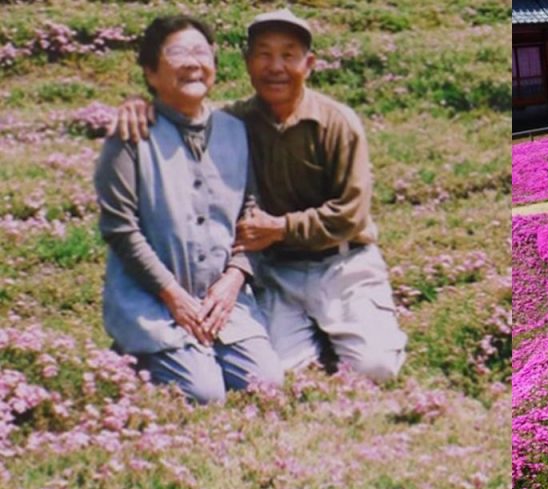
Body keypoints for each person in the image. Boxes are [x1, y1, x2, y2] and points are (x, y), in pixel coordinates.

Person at [112, 9, 407, 383]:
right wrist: (143, 105)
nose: (275, 67)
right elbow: (184, 115)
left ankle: (350, 328)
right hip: (276, 270)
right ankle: (324, 334)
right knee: (275, 375)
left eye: (288, 55)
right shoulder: (232, 123)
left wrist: (281, 227)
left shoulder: (337, 121)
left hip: (343, 265)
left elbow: (351, 213)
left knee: (375, 369)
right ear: (248, 63)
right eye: (264, 54)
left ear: (309, 64)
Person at [95, 15, 283, 404]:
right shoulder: (129, 134)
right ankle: (134, 354)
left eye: (201, 51)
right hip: (153, 299)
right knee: (205, 393)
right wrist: (173, 295)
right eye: (177, 53)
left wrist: (235, 277)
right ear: (150, 71)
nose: (193, 62)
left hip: (220, 300)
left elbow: (251, 210)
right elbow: (121, 229)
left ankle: (203, 348)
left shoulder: (235, 128)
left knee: (265, 383)